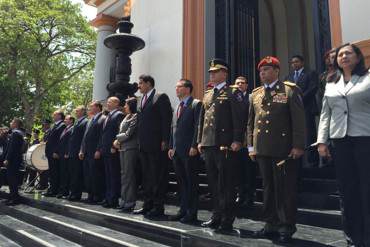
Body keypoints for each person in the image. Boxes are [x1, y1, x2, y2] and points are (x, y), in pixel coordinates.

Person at [316, 43, 370, 247]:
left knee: (366, 188)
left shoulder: (367, 78)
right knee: (347, 190)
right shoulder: (331, 83)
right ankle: (352, 238)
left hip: (365, 138)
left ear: (358, 57)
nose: (344, 56)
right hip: (340, 141)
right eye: (340, 54)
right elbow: (325, 114)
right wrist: (322, 141)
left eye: (348, 53)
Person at [247, 56, 305, 243]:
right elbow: (250, 123)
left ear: (276, 71)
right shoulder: (255, 94)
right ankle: (270, 224)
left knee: (284, 189)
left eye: (266, 70)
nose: (262, 73)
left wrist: (298, 145)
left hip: (283, 149)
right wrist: (251, 146)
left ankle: (286, 226)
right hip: (262, 148)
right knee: (268, 188)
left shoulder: (289, 90)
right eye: (261, 71)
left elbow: (298, 121)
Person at [197, 59, 244, 233]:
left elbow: (239, 118)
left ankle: (227, 218)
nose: (212, 74)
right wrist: (200, 140)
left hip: (225, 144)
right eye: (210, 72)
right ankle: (216, 215)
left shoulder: (233, 92)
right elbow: (202, 120)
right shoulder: (208, 93)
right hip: (209, 144)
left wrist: (238, 139)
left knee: (226, 183)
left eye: (215, 72)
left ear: (224, 73)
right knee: (213, 183)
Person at [134, 74, 172, 218]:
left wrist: (165, 140)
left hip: (157, 144)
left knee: (158, 176)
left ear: (149, 84)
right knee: (147, 177)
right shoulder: (140, 100)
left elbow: (166, 120)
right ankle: (147, 204)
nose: (139, 86)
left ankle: (158, 206)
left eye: (141, 83)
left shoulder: (160, 97)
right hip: (143, 144)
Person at [168, 79, 202, 224]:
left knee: (191, 182)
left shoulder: (196, 104)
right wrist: (171, 146)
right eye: (176, 86)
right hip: (177, 151)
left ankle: (191, 212)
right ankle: (182, 209)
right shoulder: (177, 107)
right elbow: (173, 128)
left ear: (188, 89)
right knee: (181, 182)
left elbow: (197, 126)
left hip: (189, 151)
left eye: (179, 87)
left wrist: (194, 145)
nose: (176, 89)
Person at [285, 55, 318, 165]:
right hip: (293, 110)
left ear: (302, 62)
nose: (294, 64)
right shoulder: (288, 77)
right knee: (295, 132)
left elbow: (313, 88)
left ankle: (312, 160)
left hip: (306, 107)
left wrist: (299, 100)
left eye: (297, 61)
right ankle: (299, 160)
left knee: (309, 133)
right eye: (292, 62)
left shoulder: (310, 73)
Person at [234, 76, 256, 211]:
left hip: (248, 139)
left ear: (247, 86)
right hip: (236, 141)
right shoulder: (232, 97)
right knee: (238, 169)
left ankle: (250, 196)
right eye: (237, 83)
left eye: (243, 83)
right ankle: (240, 194)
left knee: (249, 169)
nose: (240, 85)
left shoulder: (251, 97)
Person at [113, 97, 139, 212]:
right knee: (123, 175)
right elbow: (121, 131)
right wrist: (118, 141)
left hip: (131, 148)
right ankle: (123, 200)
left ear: (131, 105)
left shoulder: (136, 117)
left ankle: (130, 201)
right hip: (122, 148)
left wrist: (117, 139)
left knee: (129, 175)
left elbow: (129, 133)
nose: (124, 106)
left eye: (126, 104)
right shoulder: (126, 117)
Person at [99, 97, 124, 208]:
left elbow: (118, 131)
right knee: (108, 175)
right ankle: (108, 198)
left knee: (113, 175)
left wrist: (114, 146)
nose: (107, 104)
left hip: (112, 149)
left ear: (116, 103)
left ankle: (113, 199)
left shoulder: (118, 114)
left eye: (110, 102)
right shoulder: (108, 116)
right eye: (107, 102)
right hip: (105, 149)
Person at [79, 101, 106, 204]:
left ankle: (97, 196)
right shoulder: (90, 120)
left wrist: (98, 149)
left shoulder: (102, 119)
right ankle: (90, 195)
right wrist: (82, 150)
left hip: (95, 152)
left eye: (92, 107)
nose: (90, 108)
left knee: (96, 175)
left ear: (98, 108)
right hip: (87, 152)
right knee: (88, 175)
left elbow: (101, 137)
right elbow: (85, 137)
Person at [66, 106, 88, 201]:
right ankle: (72, 192)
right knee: (72, 173)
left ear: (83, 111)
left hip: (78, 152)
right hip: (72, 152)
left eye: (77, 110)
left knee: (77, 174)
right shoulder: (77, 122)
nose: (76, 112)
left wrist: (81, 150)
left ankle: (76, 194)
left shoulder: (85, 122)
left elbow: (84, 138)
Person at [43, 111, 66, 196]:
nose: (53, 115)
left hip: (54, 153)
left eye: (55, 114)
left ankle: (54, 190)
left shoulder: (62, 125)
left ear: (60, 116)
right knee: (52, 172)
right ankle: (51, 189)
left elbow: (60, 140)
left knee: (55, 172)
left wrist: (56, 151)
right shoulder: (55, 125)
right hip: (50, 152)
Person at [3, 118, 25, 205]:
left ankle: (14, 199)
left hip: (13, 160)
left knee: (12, 179)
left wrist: (7, 159)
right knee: (11, 179)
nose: (10, 123)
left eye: (12, 122)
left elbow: (12, 149)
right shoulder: (16, 133)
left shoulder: (16, 133)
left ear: (16, 124)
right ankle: (12, 197)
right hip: (15, 160)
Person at [56, 115, 74, 198]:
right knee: (61, 173)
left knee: (65, 174)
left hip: (66, 154)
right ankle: (62, 190)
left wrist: (67, 152)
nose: (65, 121)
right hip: (61, 154)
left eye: (66, 119)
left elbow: (69, 142)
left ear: (71, 120)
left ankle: (65, 191)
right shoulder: (65, 129)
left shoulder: (71, 128)